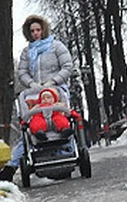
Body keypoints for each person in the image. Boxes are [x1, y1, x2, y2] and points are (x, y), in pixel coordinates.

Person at [0, 15, 75, 182]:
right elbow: (22, 72)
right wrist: (31, 83)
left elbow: (67, 66)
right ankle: (12, 166)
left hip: (55, 89)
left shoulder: (56, 46)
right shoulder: (27, 52)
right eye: (32, 31)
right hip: (36, 93)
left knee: (61, 120)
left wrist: (53, 81)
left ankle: (66, 154)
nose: (35, 33)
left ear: (43, 30)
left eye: (38, 30)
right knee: (29, 126)